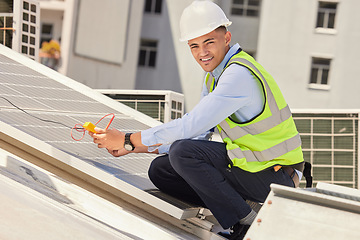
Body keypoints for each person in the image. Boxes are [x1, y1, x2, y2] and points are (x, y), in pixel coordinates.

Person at [89, 1, 305, 239]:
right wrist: (134, 147)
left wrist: (128, 139)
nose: (202, 53)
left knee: (183, 153)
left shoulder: (238, 75)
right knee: (161, 170)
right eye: (194, 46)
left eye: (209, 42)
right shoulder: (214, 77)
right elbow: (197, 137)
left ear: (226, 37)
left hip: (277, 177)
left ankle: (249, 222)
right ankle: (242, 207)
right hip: (253, 169)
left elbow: (190, 126)